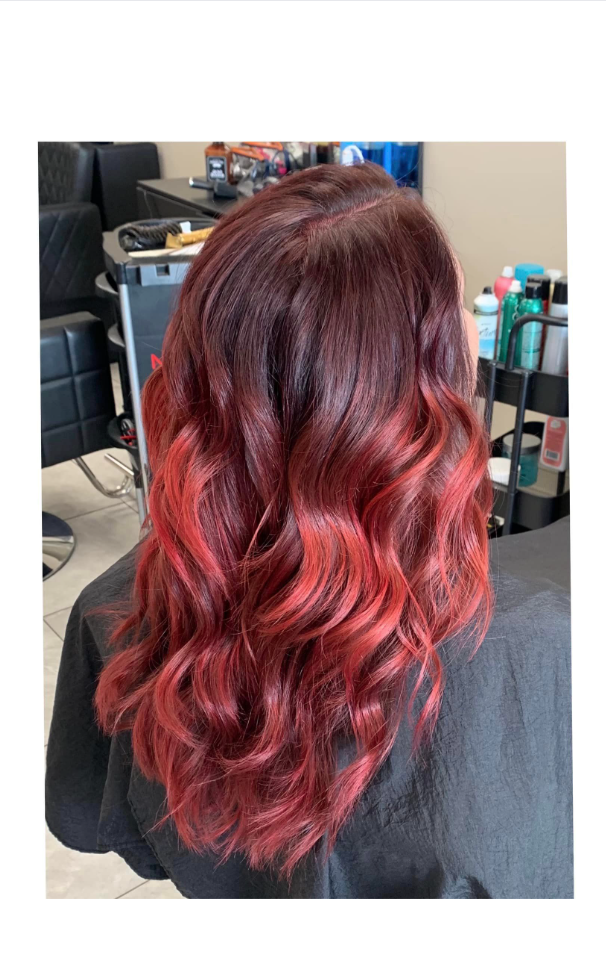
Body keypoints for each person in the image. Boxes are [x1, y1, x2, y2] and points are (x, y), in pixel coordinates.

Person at [45, 161, 572, 898]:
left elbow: (106, 824)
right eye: (457, 306)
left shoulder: (112, 609)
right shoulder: (546, 651)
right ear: (432, 383)